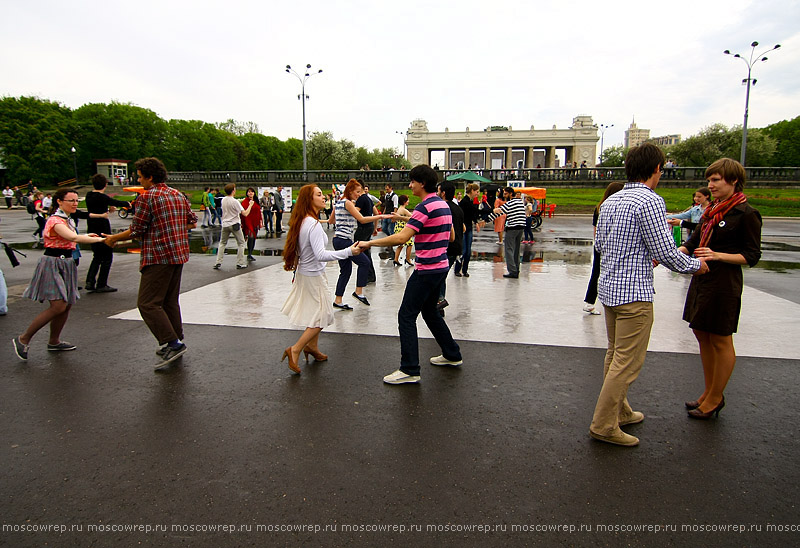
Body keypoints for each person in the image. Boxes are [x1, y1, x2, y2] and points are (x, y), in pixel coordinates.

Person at [589, 143, 708, 447]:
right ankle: (604, 424)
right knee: (627, 362)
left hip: (610, 289)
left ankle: (621, 410)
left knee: (615, 354)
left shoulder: (612, 201)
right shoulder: (650, 201)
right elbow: (667, 252)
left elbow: (600, 245)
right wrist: (698, 266)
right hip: (635, 293)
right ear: (657, 169)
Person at [359, 164, 462, 385]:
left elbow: (399, 239)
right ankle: (452, 354)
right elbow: (451, 235)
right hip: (441, 267)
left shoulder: (424, 207)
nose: (409, 185)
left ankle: (410, 368)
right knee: (431, 313)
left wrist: (369, 242)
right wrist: (411, 221)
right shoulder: (443, 205)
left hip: (426, 270)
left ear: (422, 183)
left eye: (412, 181)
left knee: (406, 316)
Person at [679, 158, 762, 419]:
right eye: (709, 180)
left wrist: (718, 255)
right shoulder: (712, 210)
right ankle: (709, 390)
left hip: (724, 283)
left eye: (715, 180)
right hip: (702, 278)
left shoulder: (746, 214)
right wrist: (672, 255)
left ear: (733, 180)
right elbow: (691, 243)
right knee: (702, 334)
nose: (710, 185)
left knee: (721, 339)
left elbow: (751, 256)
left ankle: (716, 397)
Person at [104, 157, 197, 369]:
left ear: (150, 177)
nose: (139, 181)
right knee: (169, 301)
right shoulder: (177, 195)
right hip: (178, 254)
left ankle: (173, 343)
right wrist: (172, 231)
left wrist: (113, 239)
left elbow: (137, 230)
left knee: (147, 303)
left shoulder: (147, 198)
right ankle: (176, 339)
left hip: (158, 255)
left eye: (140, 177)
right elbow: (191, 222)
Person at [12, 188, 106, 360]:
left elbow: (72, 237)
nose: (75, 204)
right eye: (71, 200)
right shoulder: (55, 220)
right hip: (53, 263)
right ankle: (23, 339)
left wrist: (87, 235)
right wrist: (101, 239)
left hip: (66, 263)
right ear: (59, 202)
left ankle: (54, 341)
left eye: (77, 200)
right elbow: (74, 238)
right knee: (58, 306)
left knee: (67, 304)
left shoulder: (67, 219)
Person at [280, 184, 362, 374]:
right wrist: (349, 251)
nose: (324, 198)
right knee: (322, 316)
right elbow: (321, 254)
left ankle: (312, 347)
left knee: (316, 313)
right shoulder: (313, 225)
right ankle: (296, 349)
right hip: (312, 276)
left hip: (306, 274)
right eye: (319, 195)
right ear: (309, 200)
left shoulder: (303, 221)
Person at [328, 179, 387, 309]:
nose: (359, 195)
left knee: (346, 270)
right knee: (364, 262)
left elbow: (331, 221)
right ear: (350, 191)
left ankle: (338, 300)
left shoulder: (338, 203)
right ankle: (358, 292)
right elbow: (361, 219)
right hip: (345, 241)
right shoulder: (348, 203)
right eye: (357, 192)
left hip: (337, 239)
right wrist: (381, 217)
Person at [583, 182, 624, 315]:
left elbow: (596, 230)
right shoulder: (616, 208)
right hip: (613, 246)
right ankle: (611, 300)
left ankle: (590, 301)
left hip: (600, 245)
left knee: (597, 272)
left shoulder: (600, 207)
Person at [84, 174, 130, 293]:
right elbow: (115, 201)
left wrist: (108, 210)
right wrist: (127, 203)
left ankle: (90, 281)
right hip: (102, 227)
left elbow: (100, 207)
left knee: (97, 256)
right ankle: (102, 283)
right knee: (107, 256)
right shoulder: (102, 197)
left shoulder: (89, 196)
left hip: (92, 226)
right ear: (105, 184)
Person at [436, 180, 464, 314]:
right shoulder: (457, 208)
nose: (437, 193)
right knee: (441, 277)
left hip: (447, 246)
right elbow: (463, 228)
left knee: (439, 277)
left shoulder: (444, 208)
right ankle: (439, 302)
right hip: (456, 247)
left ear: (443, 193)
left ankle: (439, 302)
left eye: (438, 190)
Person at [486, 187, 526, 279]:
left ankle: (512, 271)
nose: (504, 195)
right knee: (516, 249)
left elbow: (499, 212)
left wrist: (486, 220)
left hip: (512, 227)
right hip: (521, 227)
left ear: (511, 194)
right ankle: (516, 268)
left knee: (509, 249)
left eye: (505, 194)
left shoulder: (510, 203)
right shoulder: (520, 202)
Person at [214, 183, 253, 270]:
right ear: (233, 191)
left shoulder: (223, 200)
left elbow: (231, 203)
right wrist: (250, 205)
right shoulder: (235, 202)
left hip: (225, 224)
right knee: (241, 243)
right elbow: (245, 213)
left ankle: (218, 261)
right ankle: (240, 262)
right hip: (234, 224)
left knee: (222, 243)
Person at [353, 180, 378, 284]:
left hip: (363, 227)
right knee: (366, 252)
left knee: (360, 251)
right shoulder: (368, 198)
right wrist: (375, 227)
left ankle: (367, 274)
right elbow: (376, 213)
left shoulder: (361, 199)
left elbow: (354, 213)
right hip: (369, 226)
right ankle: (371, 275)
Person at [454, 183, 480, 277]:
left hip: (468, 226)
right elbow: (469, 212)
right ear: (472, 191)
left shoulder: (469, 201)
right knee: (463, 250)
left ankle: (464, 270)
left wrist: (476, 222)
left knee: (468, 251)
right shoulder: (465, 201)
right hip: (464, 228)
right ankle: (458, 269)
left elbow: (472, 213)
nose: (478, 193)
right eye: (477, 192)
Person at [240, 187, 262, 262]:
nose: (250, 193)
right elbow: (243, 212)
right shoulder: (245, 202)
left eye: (252, 192)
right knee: (250, 237)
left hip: (255, 222)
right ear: (247, 193)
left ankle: (250, 252)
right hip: (248, 222)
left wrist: (260, 221)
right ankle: (248, 254)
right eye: (249, 192)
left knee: (254, 238)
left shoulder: (256, 201)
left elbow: (258, 211)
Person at [392, 195, 415, 266]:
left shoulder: (400, 209)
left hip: (398, 227)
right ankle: (407, 259)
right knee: (410, 243)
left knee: (401, 244)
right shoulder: (403, 210)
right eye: (407, 200)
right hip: (403, 228)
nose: (408, 201)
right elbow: (412, 216)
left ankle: (396, 259)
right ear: (404, 202)